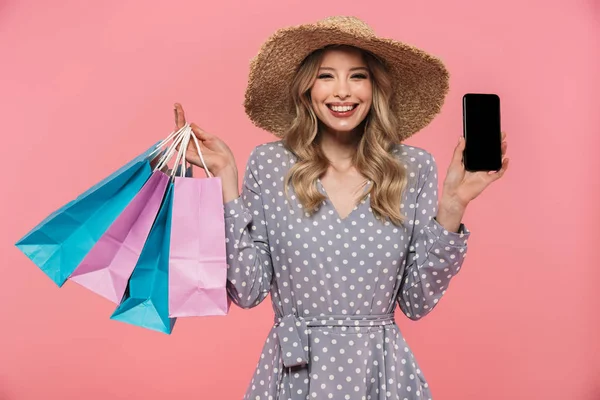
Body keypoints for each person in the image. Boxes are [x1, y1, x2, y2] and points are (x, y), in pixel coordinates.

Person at [174, 16, 508, 400]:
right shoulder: (270, 164)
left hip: (382, 376)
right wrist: (226, 181)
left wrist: (453, 206)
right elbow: (247, 290)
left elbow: (416, 302)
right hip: (293, 376)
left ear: (375, 87)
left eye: (358, 76)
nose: (343, 92)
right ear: (306, 89)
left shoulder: (412, 167)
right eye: (326, 76)